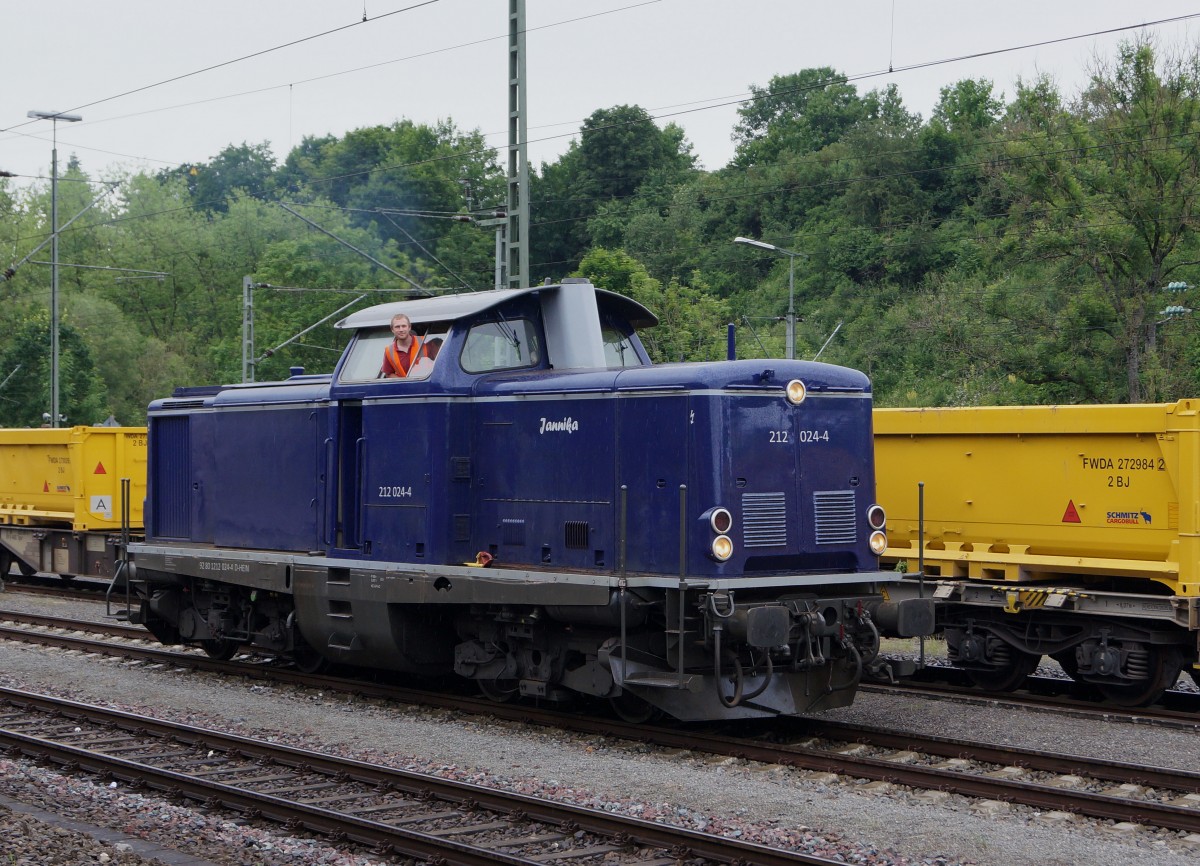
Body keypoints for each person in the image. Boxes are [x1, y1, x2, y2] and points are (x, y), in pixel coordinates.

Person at [381, 313, 429, 378]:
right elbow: (389, 373)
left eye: (404, 326)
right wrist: (403, 384)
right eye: (397, 327)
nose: (401, 330)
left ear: (409, 327)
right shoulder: (389, 350)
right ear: (392, 329)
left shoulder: (425, 341)